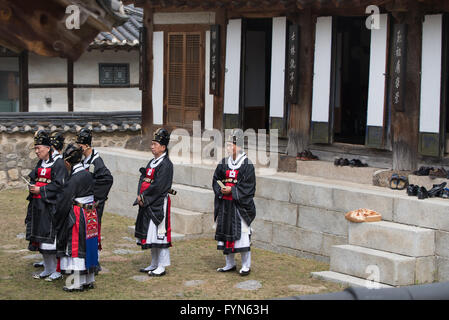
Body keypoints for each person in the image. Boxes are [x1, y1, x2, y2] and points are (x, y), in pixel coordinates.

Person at [55, 143, 100, 292]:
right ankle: (88, 279)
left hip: (78, 214)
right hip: (91, 214)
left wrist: (57, 218)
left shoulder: (73, 179)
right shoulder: (87, 173)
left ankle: (75, 283)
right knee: (89, 246)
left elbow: (64, 202)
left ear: (67, 162)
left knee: (75, 248)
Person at [212, 129, 256, 276]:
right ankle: (229, 263)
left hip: (239, 207)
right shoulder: (224, 163)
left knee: (242, 235)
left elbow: (248, 187)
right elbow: (216, 179)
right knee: (225, 233)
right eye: (228, 145)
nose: (229, 148)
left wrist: (232, 190)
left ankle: (245, 265)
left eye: (231, 145)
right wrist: (221, 189)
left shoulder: (247, 165)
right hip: (225, 205)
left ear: (240, 146)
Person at [25, 130, 67, 281]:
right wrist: (32, 185)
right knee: (41, 240)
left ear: (48, 148)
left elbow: (59, 186)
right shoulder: (40, 163)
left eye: (39, 148)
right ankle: (47, 268)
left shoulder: (59, 164)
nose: (37, 151)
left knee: (51, 241)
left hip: (51, 207)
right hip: (38, 207)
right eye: (35, 149)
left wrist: (41, 189)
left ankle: (57, 269)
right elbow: (34, 176)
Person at [134, 128, 173, 277]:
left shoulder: (166, 165)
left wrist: (145, 197)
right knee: (151, 234)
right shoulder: (152, 161)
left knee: (160, 234)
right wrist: (140, 194)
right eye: (152, 143)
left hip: (158, 203)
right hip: (147, 201)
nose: (152, 146)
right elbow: (143, 178)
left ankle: (162, 265)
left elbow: (159, 186)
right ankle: (154, 263)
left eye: (155, 144)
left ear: (163, 147)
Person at [75, 128, 113, 252]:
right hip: (83, 203)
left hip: (93, 202)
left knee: (92, 230)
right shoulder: (84, 160)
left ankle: (93, 258)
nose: (78, 148)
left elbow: (107, 180)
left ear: (86, 146)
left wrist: (91, 192)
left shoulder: (97, 162)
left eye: (79, 146)